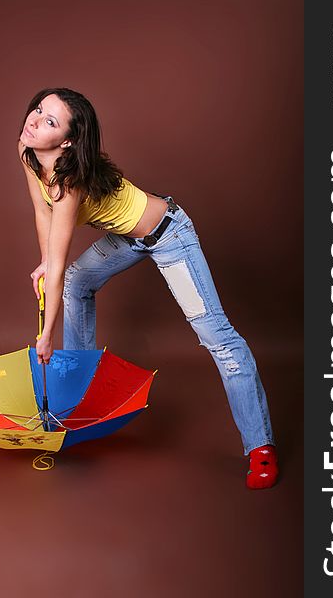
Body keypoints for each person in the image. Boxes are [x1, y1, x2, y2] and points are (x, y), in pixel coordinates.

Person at [18, 87, 278, 489]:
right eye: (38, 110)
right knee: (75, 282)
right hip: (128, 238)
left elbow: (58, 239)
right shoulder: (28, 151)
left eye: (49, 120)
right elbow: (41, 210)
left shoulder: (69, 183)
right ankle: (83, 398)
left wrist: (47, 336)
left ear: (68, 140)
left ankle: (260, 447)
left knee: (219, 339)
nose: (34, 121)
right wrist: (46, 259)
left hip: (170, 236)